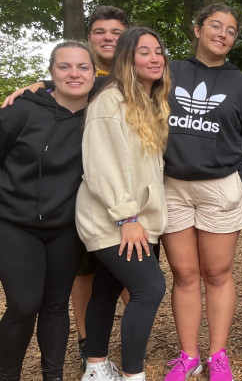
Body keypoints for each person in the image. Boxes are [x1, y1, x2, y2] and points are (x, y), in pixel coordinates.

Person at [161, 3, 242, 381]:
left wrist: (238, 180)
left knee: (218, 272)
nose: (222, 34)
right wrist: (45, 86)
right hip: (172, 188)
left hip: (220, 188)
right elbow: (121, 90)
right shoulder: (169, 70)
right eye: (215, 25)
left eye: (230, 30)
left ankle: (218, 355)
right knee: (184, 273)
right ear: (197, 29)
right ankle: (189, 356)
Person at [75, 27, 172, 381]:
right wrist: (126, 216)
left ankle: (97, 368)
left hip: (130, 218)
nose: (155, 57)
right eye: (144, 51)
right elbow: (100, 164)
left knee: (106, 288)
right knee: (149, 288)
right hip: (112, 219)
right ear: (127, 59)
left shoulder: (146, 103)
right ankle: (134, 375)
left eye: (159, 51)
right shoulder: (110, 100)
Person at [0, 41, 95, 381]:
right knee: (24, 305)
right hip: (14, 223)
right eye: (64, 67)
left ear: (93, 73)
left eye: (82, 67)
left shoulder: (100, 115)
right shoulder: (22, 109)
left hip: (66, 227)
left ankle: (52, 375)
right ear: (52, 72)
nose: (74, 74)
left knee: (56, 306)